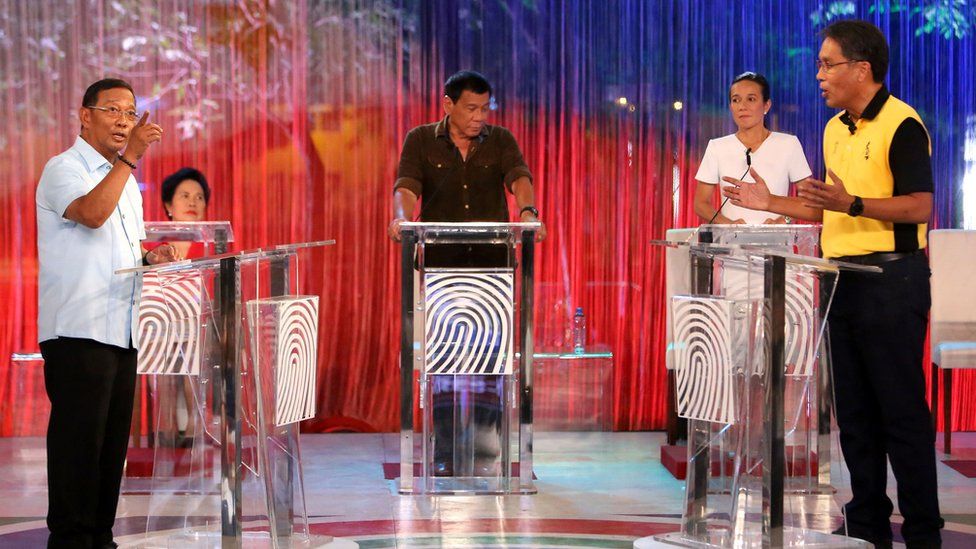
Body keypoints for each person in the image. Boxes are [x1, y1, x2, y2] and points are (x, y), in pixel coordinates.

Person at [722, 20, 942, 549]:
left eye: (827, 64)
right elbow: (826, 208)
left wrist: (853, 204)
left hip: (892, 278)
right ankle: (866, 522)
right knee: (856, 414)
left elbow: (920, 206)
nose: (818, 75)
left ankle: (923, 531)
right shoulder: (835, 127)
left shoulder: (901, 124)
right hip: (841, 280)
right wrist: (768, 202)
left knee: (900, 412)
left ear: (860, 69)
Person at [388, 70, 545, 476]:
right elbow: (405, 188)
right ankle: (443, 453)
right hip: (442, 267)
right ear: (448, 105)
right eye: (471, 108)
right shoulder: (420, 139)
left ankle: (487, 453)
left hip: (492, 267)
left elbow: (520, 179)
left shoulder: (501, 140)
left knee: (490, 361)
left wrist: (528, 212)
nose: (479, 117)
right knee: (444, 361)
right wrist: (401, 220)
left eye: (485, 108)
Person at [35, 78, 167, 548]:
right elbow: (90, 214)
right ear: (84, 115)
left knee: (112, 451)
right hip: (78, 330)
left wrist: (151, 256)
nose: (124, 121)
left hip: (122, 330)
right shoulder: (63, 167)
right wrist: (129, 158)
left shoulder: (125, 182)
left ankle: (100, 538)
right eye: (113, 110)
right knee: (78, 448)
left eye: (131, 113)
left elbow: (120, 247)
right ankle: (70, 540)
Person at [693, 71, 812, 225]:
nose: (742, 106)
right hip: (732, 243)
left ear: (766, 105)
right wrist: (728, 224)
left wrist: (785, 220)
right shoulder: (717, 147)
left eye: (751, 99)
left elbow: (809, 200)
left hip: (776, 241)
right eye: (736, 100)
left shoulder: (789, 144)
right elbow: (701, 204)